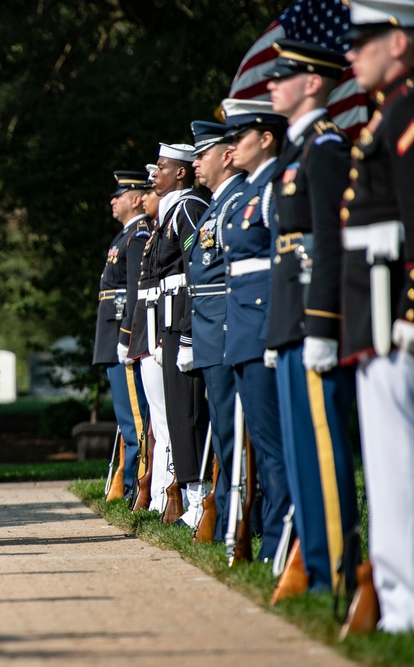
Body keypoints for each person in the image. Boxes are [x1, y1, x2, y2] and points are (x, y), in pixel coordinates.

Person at [264, 39, 359, 596]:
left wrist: (322, 323)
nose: (272, 84)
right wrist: (281, 328)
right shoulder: (296, 152)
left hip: (313, 324)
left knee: (322, 451)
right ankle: (316, 565)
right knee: (301, 452)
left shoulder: (324, 149)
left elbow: (329, 243)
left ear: (314, 84)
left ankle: (339, 569)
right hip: (291, 323)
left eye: (285, 76)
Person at [340, 0, 414, 632]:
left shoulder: (406, 114)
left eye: (363, 43)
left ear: (398, 41)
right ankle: (395, 598)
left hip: (397, 315)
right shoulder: (386, 116)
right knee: (386, 467)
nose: (351, 55)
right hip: (374, 316)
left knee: (397, 465)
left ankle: (404, 602)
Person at [220, 98, 292, 561]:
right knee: (261, 446)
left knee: (273, 443)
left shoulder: (274, 187)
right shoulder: (246, 190)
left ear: (265, 138)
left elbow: (284, 263)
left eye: (238, 138)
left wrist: (275, 330)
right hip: (242, 329)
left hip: (263, 326)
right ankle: (274, 534)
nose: (231, 149)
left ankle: (283, 541)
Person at [187, 120, 244, 541]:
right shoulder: (215, 204)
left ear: (226, 156)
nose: (195, 163)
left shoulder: (235, 200)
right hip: (210, 331)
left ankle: (236, 517)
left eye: (202, 154)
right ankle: (227, 514)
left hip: (224, 329)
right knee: (224, 430)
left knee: (232, 431)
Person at [150, 142, 209, 525]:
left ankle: (200, 497)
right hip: (170, 323)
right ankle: (191, 495)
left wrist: (187, 334)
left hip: (182, 322)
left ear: (182, 172)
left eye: (162, 166)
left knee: (188, 411)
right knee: (176, 412)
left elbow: (195, 273)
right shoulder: (171, 211)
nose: (155, 173)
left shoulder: (188, 208)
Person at [95, 171, 150, 495]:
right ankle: (129, 481)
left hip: (121, 332)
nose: (113, 200)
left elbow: (133, 292)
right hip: (112, 330)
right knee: (126, 416)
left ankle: (136, 484)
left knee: (134, 419)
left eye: (120, 194)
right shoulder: (126, 235)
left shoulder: (138, 235)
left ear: (135, 198)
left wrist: (126, 336)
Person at [124, 167, 174, 513]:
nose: (144, 199)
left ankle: (165, 491)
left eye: (149, 193)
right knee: (157, 420)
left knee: (164, 420)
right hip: (148, 334)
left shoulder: (153, 229)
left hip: (159, 334)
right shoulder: (152, 231)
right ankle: (156, 492)